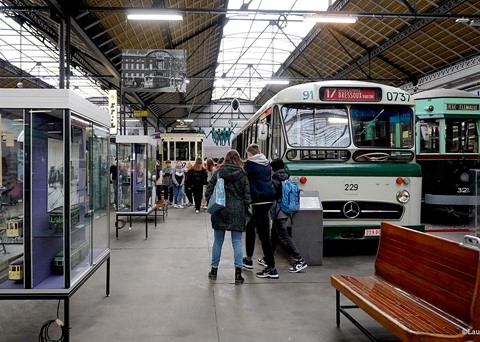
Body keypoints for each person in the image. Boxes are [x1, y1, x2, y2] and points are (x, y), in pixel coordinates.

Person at [205, 150, 251, 285]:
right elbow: (247, 196)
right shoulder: (243, 175)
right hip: (237, 210)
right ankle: (238, 274)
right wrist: (243, 206)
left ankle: (214, 270)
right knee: (237, 242)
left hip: (220, 209)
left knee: (218, 241)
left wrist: (211, 202)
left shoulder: (218, 172)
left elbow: (208, 191)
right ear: (238, 160)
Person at [265, 158, 308, 273]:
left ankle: (299, 259)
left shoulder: (275, 180)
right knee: (274, 235)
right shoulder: (286, 177)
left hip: (278, 212)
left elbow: (270, 195)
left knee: (284, 236)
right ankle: (267, 258)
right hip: (285, 210)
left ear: (273, 168)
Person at [243, 143, 277, 279]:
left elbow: (242, 176)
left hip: (259, 199)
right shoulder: (266, 163)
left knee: (263, 235)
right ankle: (248, 259)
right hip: (269, 198)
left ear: (250, 154)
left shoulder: (250, 164)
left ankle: (272, 268)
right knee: (250, 226)